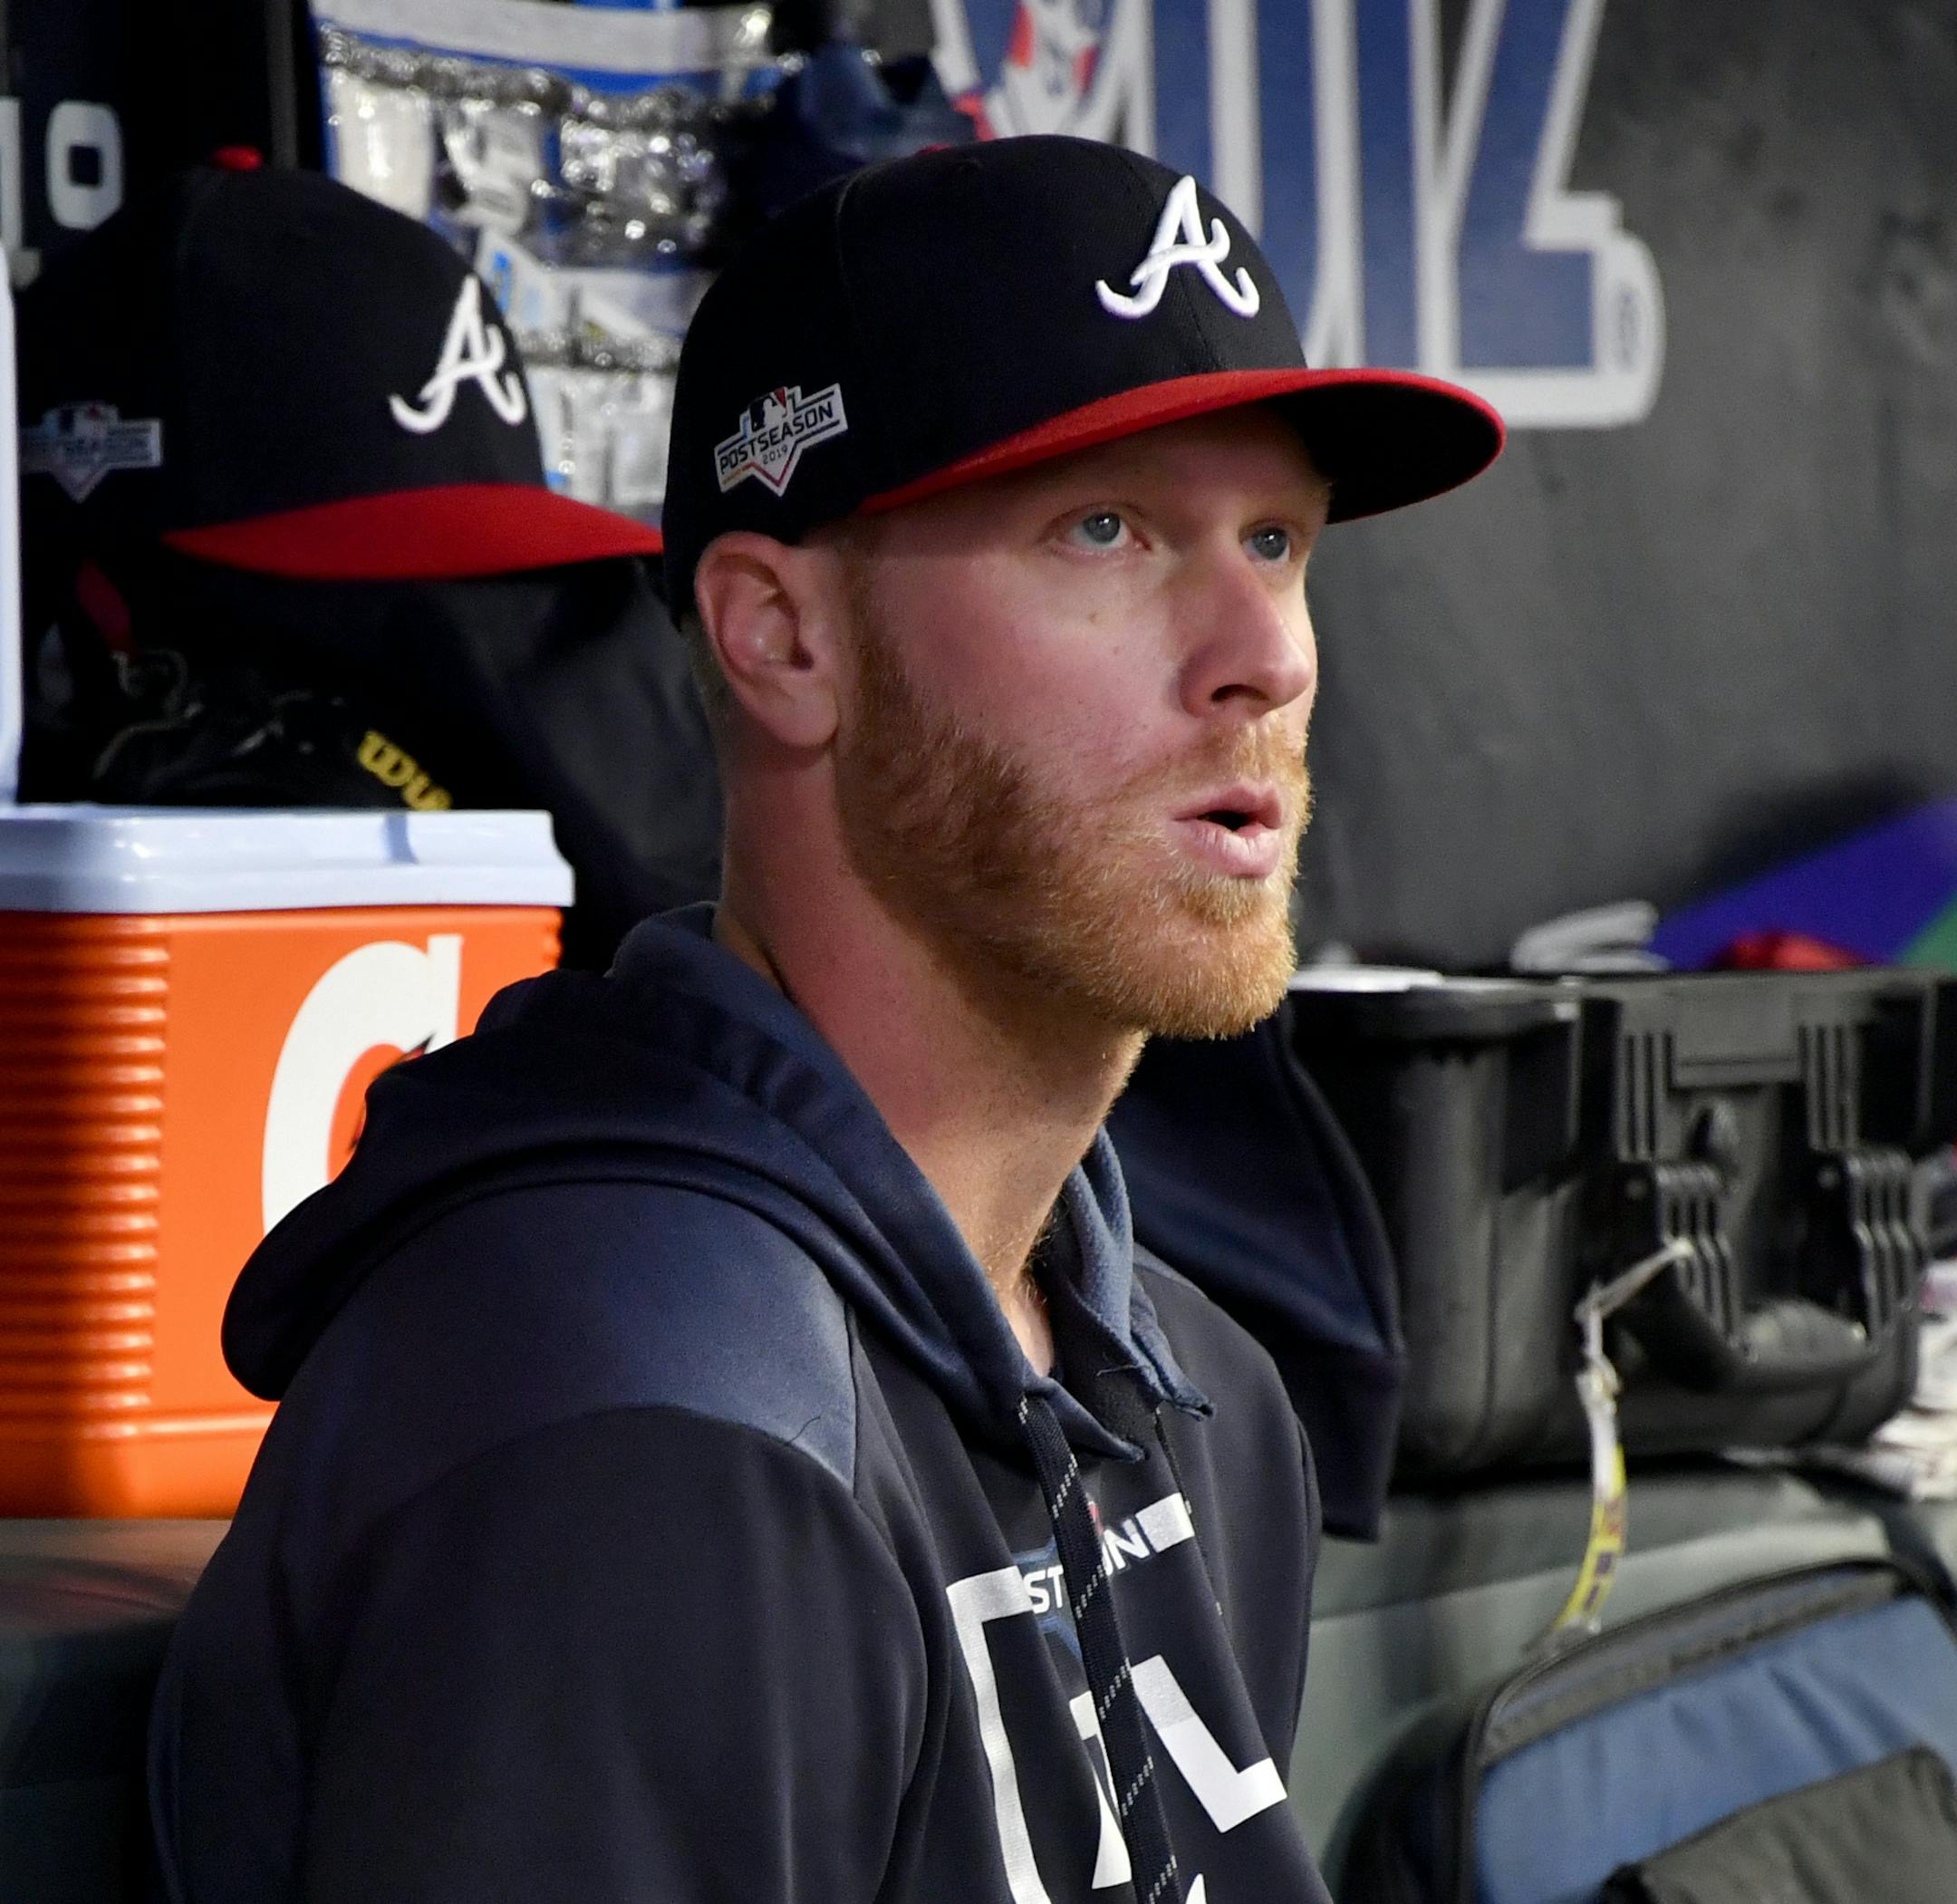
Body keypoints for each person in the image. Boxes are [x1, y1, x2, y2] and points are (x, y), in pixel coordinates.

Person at [149, 135, 1499, 1904]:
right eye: (1106, 529)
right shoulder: (637, 1432)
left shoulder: (1201, 1400)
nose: (1268, 649)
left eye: (1277, 540)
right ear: (784, 640)